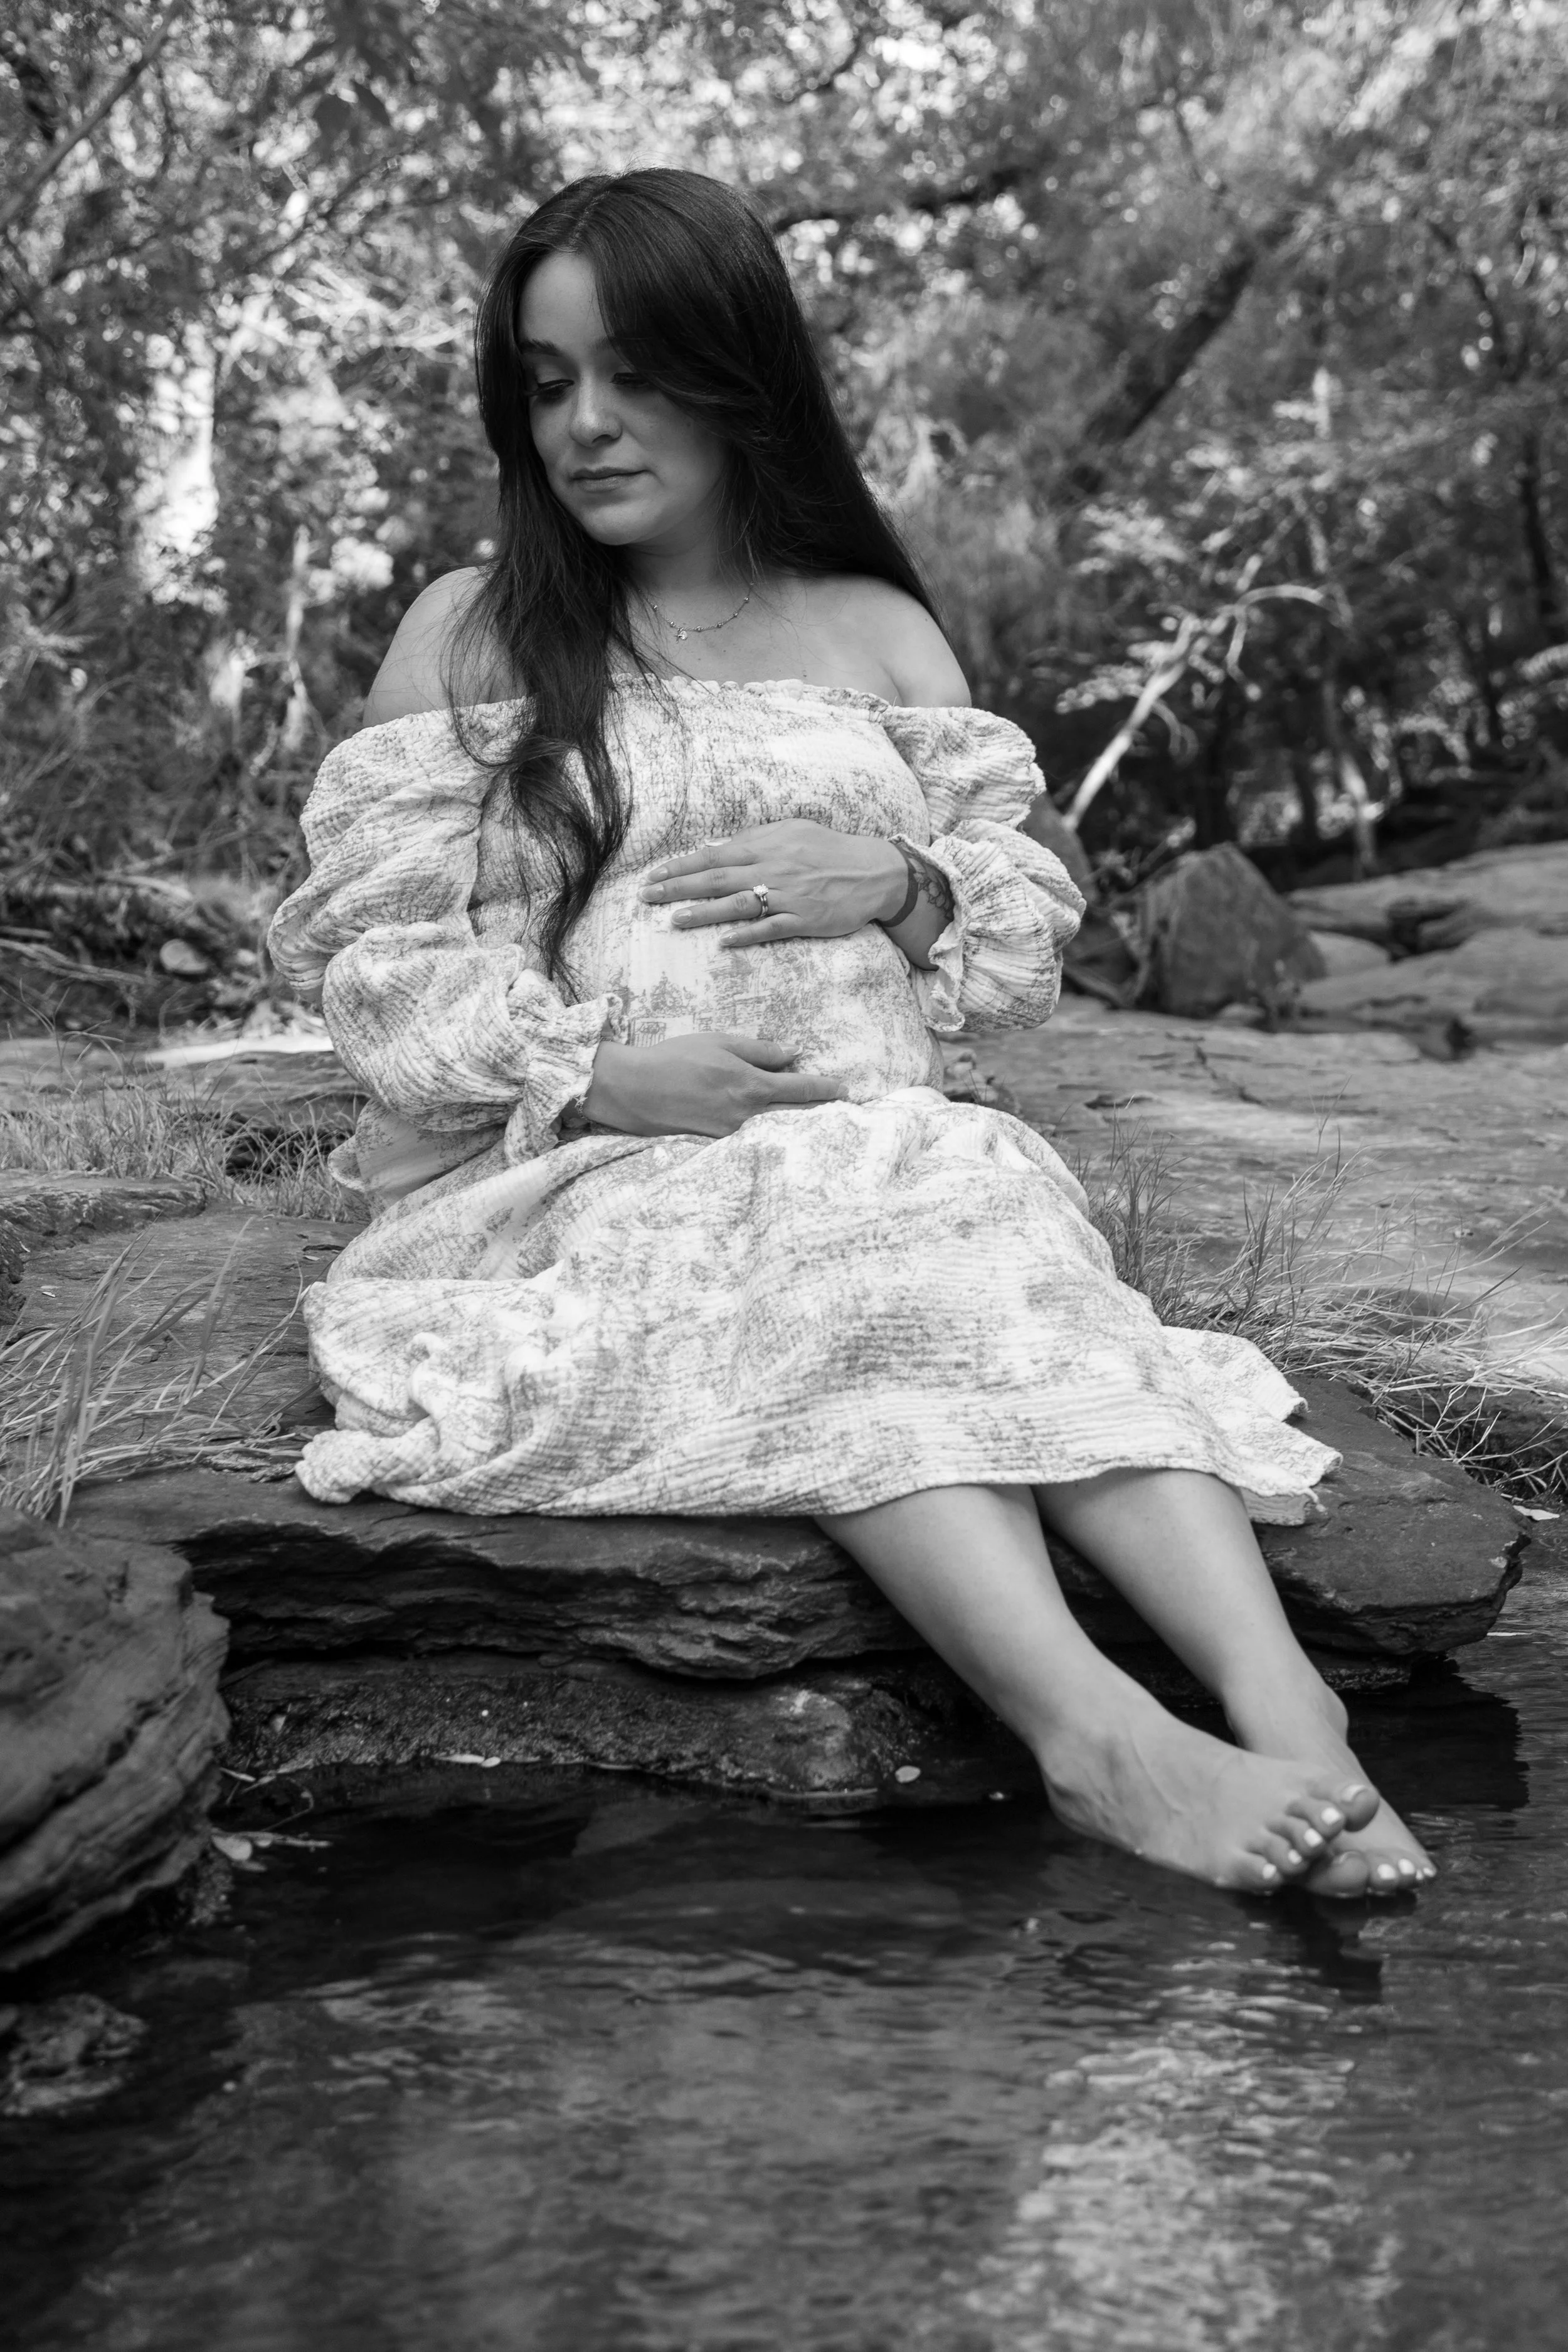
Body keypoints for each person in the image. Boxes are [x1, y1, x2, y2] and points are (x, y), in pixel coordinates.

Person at [268, 167, 1433, 1900]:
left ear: (739, 375)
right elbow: (380, 956)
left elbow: (1015, 941)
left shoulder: (870, 629)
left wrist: (895, 879)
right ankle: (1094, 1734)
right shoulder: (474, 627)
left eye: (634, 373)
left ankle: (1291, 1713)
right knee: (847, 1224)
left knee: (981, 1229)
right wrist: (593, 1071)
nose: (586, 423)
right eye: (545, 377)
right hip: (605, 1173)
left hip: (907, 1150)